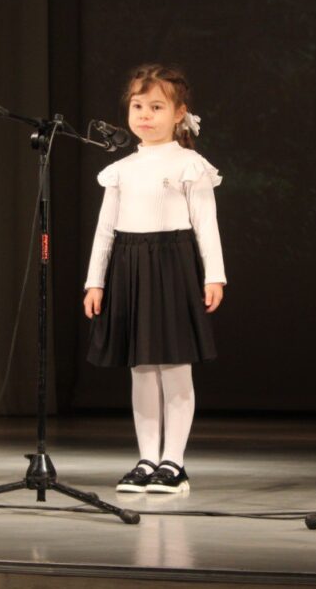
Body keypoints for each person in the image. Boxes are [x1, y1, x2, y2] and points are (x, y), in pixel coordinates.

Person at [83, 64, 225, 494]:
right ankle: (147, 459)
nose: (145, 115)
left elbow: (206, 224)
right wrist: (95, 281)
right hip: (129, 265)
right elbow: (105, 230)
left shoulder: (190, 164)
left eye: (157, 107)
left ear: (179, 113)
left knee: (174, 366)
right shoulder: (121, 169)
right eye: (138, 106)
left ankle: (174, 463)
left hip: (172, 264)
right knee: (141, 368)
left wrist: (214, 275)